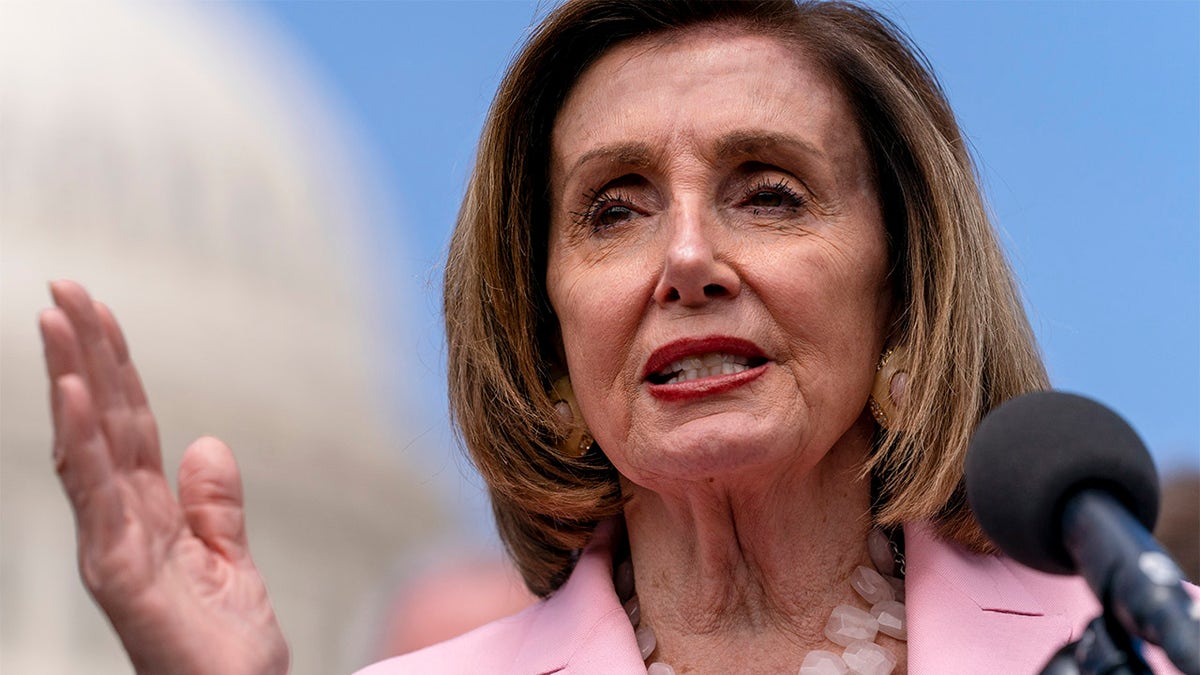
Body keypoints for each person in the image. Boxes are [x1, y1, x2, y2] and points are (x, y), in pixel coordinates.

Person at [37, 1, 1186, 674]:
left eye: (769, 193)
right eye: (615, 210)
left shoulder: (1136, 651)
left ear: (904, 299)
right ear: (544, 333)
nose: (685, 260)